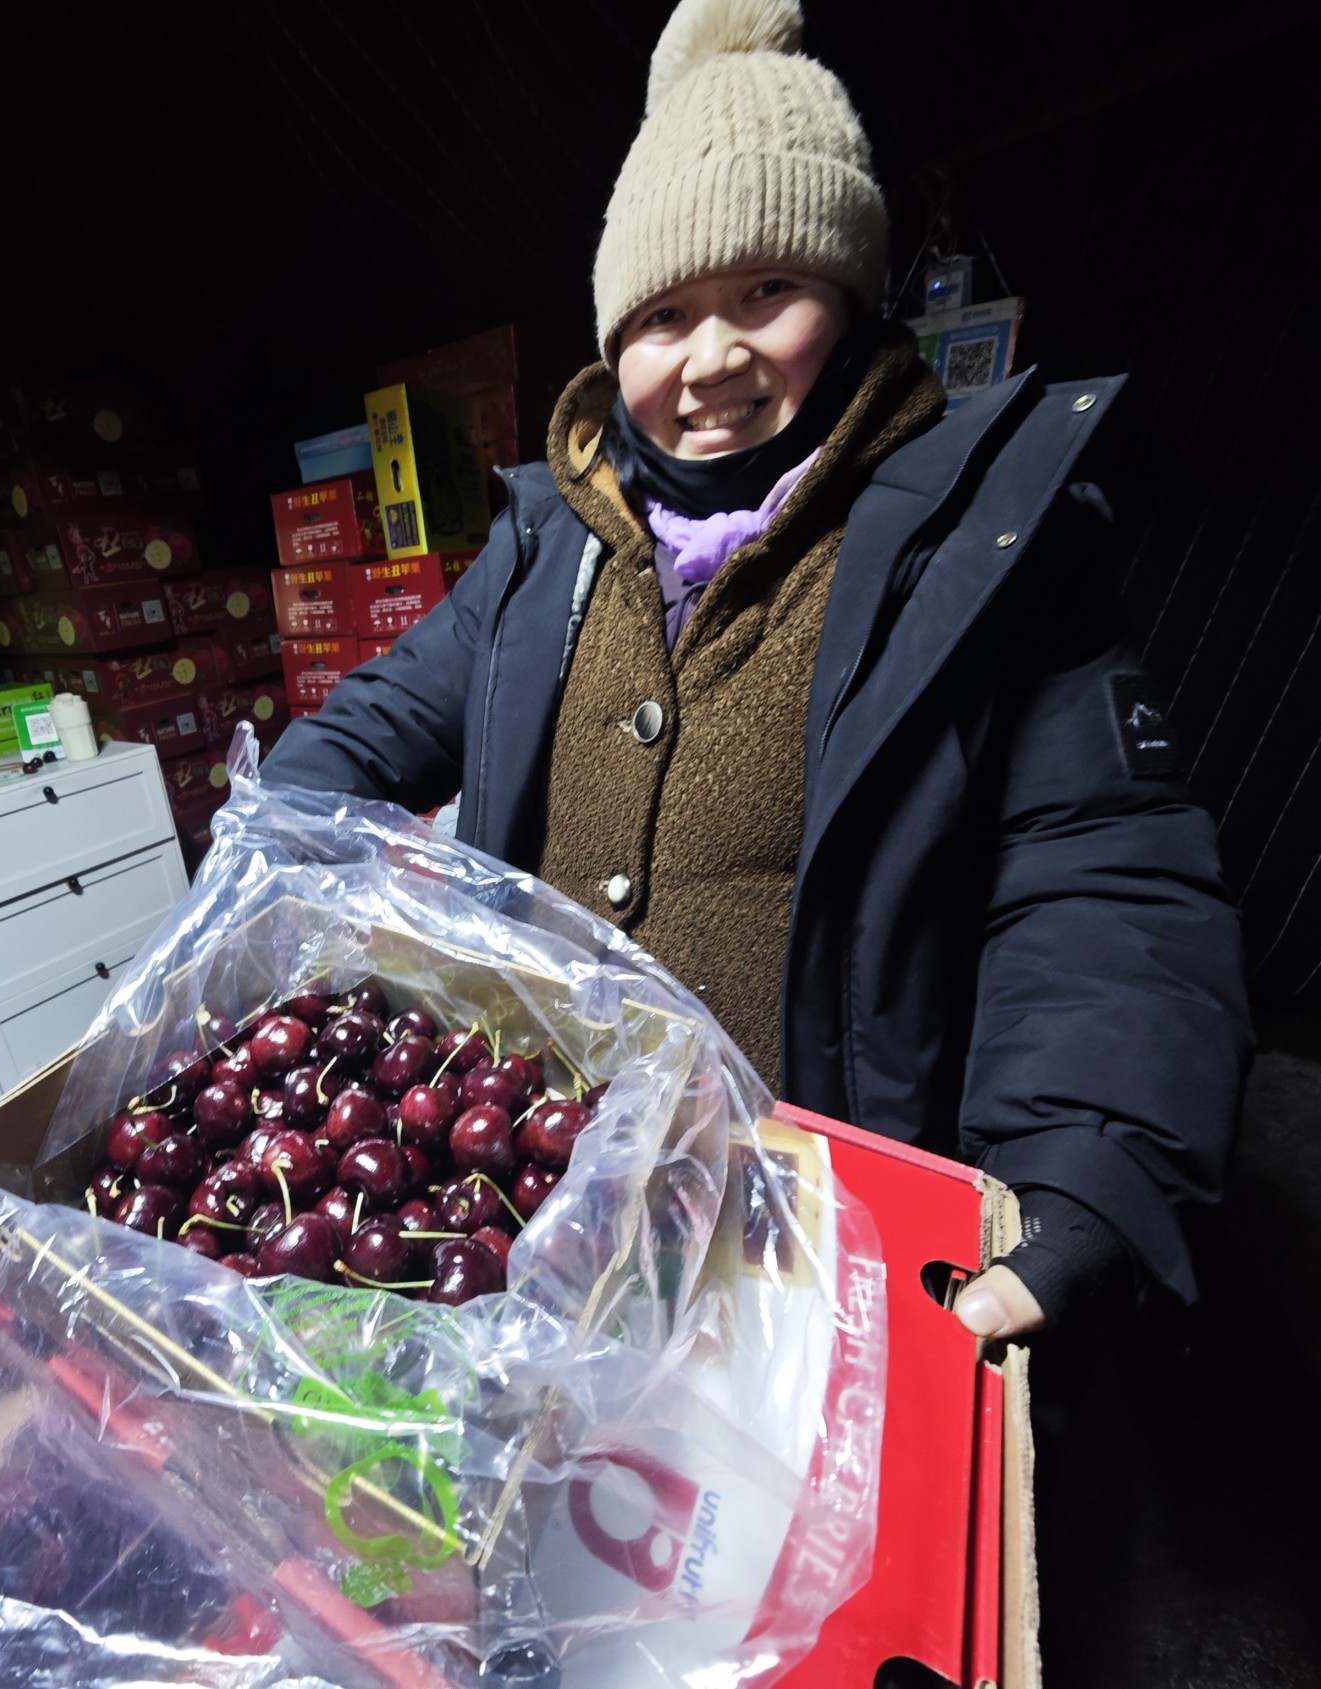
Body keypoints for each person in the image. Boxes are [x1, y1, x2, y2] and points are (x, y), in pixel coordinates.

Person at [264, 0, 1252, 1338]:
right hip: (535, 1180)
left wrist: (1078, 1172)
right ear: (616, 346)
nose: (713, 359)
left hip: (807, 1216)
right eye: (665, 314)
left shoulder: (971, 550)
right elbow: (386, 717)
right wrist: (263, 852)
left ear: (846, 299)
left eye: (765, 294)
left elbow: (1100, 874)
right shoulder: (551, 540)